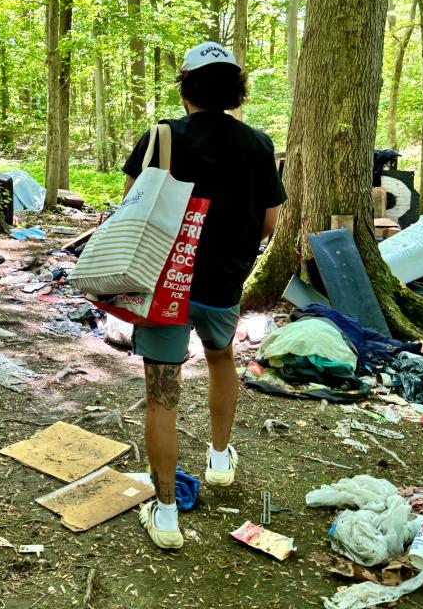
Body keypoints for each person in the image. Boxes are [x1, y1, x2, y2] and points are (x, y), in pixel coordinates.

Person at [121, 41, 286, 549]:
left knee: (161, 394)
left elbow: (132, 208)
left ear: (186, 87)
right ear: (236, 90)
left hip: (166, 285)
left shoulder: (162, 136)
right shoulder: (259, 144)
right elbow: (269, 225)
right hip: (223, 283)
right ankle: (219, 459)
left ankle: (167, 515)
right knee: (221, 360)